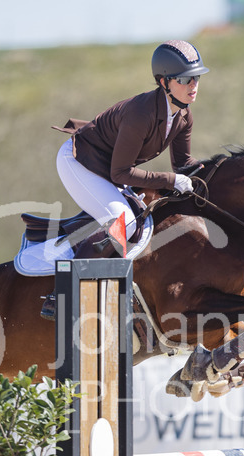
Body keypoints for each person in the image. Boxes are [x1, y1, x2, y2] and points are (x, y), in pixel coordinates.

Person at [40, 39, 209, 320]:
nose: (193, 86)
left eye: (196, 78)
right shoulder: (142, 113)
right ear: (164, 81)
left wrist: (214, 174)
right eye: (184, 79)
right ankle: (60, 295)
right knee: (123, 220)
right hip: (80, 161)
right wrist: (170, 180)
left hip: (109, 167)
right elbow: (122, 172)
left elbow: (183, 164)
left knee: (143, 218)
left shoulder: (183, 116)